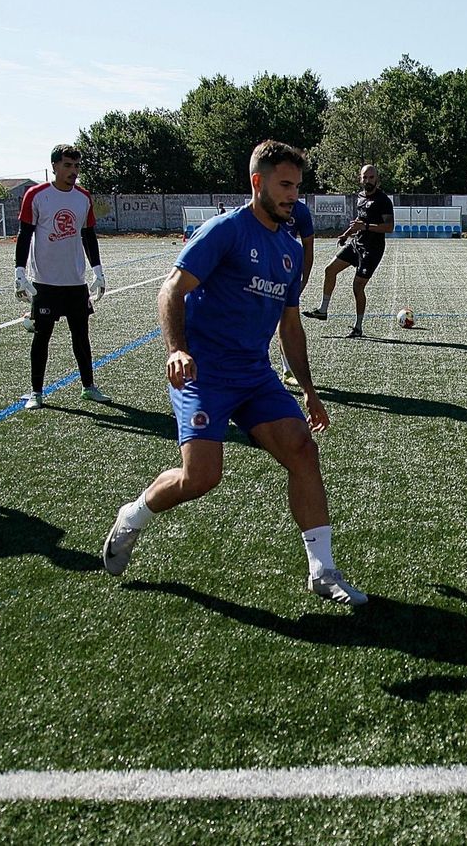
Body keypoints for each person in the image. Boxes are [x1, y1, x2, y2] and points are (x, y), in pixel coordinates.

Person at [102, 140, 365, 606]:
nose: (293, 196)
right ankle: (133, 516)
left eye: (297, 187)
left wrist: (308, 390)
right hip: (203, 374)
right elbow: (171, 290)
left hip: (254, 375)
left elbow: (290, 325)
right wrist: (177, 350)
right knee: (201, 477)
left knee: (303, 450)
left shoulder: (288, 249)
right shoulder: (224, 231)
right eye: (285, 185)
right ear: (257, 182)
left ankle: (322, 571)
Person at [14, 144, 109, 409]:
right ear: (54, 166)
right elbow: (25, 234)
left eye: (76, 166)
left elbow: (88, 235)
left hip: (75, 281)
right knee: (42, 336)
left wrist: (98, 271)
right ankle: (36, 392)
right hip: (45, 281)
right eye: (67, 165)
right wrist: (19, 271)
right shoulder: (36, 195)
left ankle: (89, 387)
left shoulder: (83, 197)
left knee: (81, 336)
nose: (73, 171)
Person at [302, 164, 394, 338]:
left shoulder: (383, 201)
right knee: (330, 270)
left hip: (372, 250)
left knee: (357, 287)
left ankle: (358, 327)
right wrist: (346, 234)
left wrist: (365, 226)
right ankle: (323, 310)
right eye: (365, 177)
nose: (368, 180)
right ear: (360, 179)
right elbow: (360, 219)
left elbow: (389, 227)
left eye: (371, 177)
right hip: (356, 244)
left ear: (377, 179)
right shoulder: (360, 197)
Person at [278, 197, 315, 386]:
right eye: (285, 184)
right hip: (257, 268)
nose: (291, 191)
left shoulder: (301, 211)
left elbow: (308, 244)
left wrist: (305, 277)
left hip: (286, 272)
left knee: (287, 320)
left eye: (296, 186)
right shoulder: (260, 208)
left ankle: (287, 370)